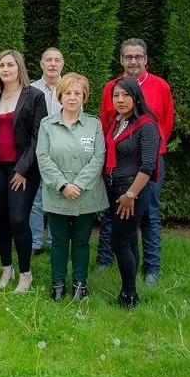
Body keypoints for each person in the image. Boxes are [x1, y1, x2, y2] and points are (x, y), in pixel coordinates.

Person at [95, 38, 174, 285]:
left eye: (138, 56)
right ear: (121, 60)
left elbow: (166, 123)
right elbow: (106, 121)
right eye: (128, 57)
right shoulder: (111, 87)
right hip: (116, 162)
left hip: (148, 163)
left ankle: (151, 268)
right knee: (112, 214)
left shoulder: (160, 86)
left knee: (149, 215)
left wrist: (147, 152)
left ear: (146, 59)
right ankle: (105, 260)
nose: (133, 61)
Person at [35, 73, 108, 302]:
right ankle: (57, 285)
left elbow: (99, 158)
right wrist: (63, 185)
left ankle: (79, 285)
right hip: (58, 193)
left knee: (81, 242)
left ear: (84, 97)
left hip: (86, 194)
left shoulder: (94, 125)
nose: (72, 97)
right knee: (58, 242)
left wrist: (78, 185)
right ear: (60, 97)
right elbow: (43, 157)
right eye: (68, 93)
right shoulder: (47, 125)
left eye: (78, 93)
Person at [0, 49, 48, 293]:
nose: (5, 69)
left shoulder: (35, 96)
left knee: (18, 220)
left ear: (19, 67)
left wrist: (22, 170)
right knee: (0, 220)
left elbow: (38, 137)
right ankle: (6, 268)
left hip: (24, 169)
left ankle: (25, 274)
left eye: (10, 65)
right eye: (2, 66)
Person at [104, 77, 161, 308]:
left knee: (119, 243)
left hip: (131, 191)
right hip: (114, 188)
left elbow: (148, 165)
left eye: (126, 95)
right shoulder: (117, 122)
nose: (120, 100)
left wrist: (130, 195)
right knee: (129, 241)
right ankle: (131, 289)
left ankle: (129, 295)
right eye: (116, 95)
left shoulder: (146, 125)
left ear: (136, 96)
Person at [29, 47, 65, 255]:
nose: (52, 64)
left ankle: (54, 241)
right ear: (41, 64)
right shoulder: (31, 89)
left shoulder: (70, 87)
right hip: (38, 151)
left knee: (57, 197)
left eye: (57, 60)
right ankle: (35, 243)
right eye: (48, 60)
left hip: (62, 153)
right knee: (36, 199)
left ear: (62, 64)